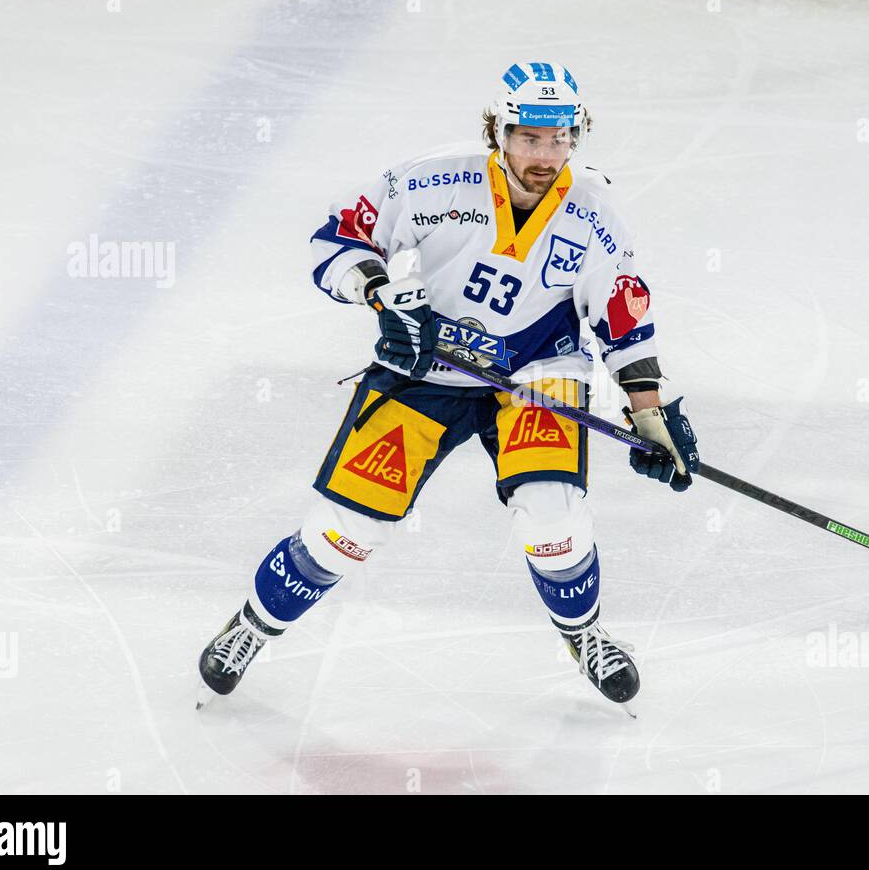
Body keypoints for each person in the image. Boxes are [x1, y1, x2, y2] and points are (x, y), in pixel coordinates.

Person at [197, 61, 699, 712]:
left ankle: (585, 634)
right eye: (529, 137)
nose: (545, 155)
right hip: (423, 373)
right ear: (498, 129)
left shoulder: (594, 208)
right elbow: (337, 241)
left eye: (560, 138)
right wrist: (379, 295)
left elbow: (622, 310)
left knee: (553, 517)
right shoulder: (430, 180)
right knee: (342, 533)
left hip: (538, 375)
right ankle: (254, 625)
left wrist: (649, 412)